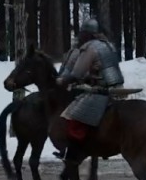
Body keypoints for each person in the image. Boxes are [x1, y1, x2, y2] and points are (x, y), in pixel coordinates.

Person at [53, 18, 124, 161]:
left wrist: (62, 80)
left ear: (88, 34)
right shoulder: (109, 45)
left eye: (82, 33)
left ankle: (75, 152)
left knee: (72, 117)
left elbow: (77, 73)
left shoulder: (90, 47)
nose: (80, 36)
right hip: (116, 88)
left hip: (99, 90)